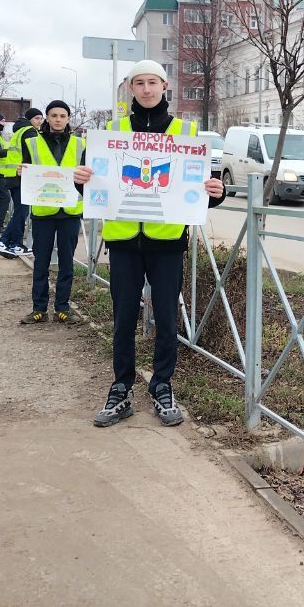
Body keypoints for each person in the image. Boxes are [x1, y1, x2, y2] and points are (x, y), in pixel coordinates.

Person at [79, 60, 225, 428]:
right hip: (124, 242)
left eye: (152, 83)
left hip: (167, 242)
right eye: (138, 83)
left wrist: (217, 192)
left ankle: (162, 385)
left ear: (164, 87)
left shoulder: (186, 132)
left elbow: (203, 189)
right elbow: (89, 184)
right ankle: (121, 388)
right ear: (131, 89)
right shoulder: (111, 134)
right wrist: (81, 180)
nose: (146, 89)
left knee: (166, 318)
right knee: (123, 318)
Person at [19, 100, 90, 325]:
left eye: (62, 115)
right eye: (53, 115)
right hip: (43, 212)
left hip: (69, 211)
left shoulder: (81, 144)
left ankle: (63, 308)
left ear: (68, 118)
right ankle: (38, 309)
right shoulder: (31, 143)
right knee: (41, 262)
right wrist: (22, 171)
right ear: (46, 118)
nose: (58, 119)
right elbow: (26, 170)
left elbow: (88, 174)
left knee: (67, 263)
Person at [0, 111, 39, 259]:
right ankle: (5, 241)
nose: (40, 121)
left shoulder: (19, 131)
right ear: (30, 119)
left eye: (41, 118)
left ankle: (13, 244)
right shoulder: (30, 131)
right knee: (22, 211)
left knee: (20, 211)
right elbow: (34, 155)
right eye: (37, 118)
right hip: (21, 176)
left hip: (12, 176)